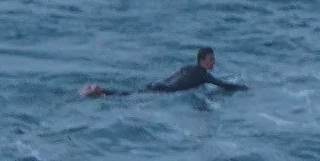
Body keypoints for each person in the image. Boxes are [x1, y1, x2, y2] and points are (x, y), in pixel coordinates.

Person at [80, 48, 245, 99]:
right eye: (210, 60)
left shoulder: (187, 68)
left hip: (159, 84)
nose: (213, 62)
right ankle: (99, 92)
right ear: (201, 60)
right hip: (164, 91)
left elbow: (173, 79)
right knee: (128, 96)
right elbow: (225, 85)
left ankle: (100, 91)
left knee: (131, 93)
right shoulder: (204, 75)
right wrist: (245, 88)